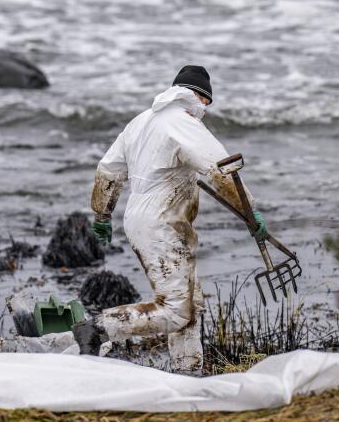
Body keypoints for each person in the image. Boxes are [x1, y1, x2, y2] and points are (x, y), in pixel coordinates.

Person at [72, 65, 266, 373]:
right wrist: (249, 211)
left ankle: (187, 370)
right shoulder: (184, 124)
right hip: (159, 222)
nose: (205, 109)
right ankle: (98, 327)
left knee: (192, 303)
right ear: (201, 98)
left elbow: (109, 169)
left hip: (143, 218)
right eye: (206, 103)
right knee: (176, 310)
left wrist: (103, 213)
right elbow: (220, 168)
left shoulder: (140, 122)